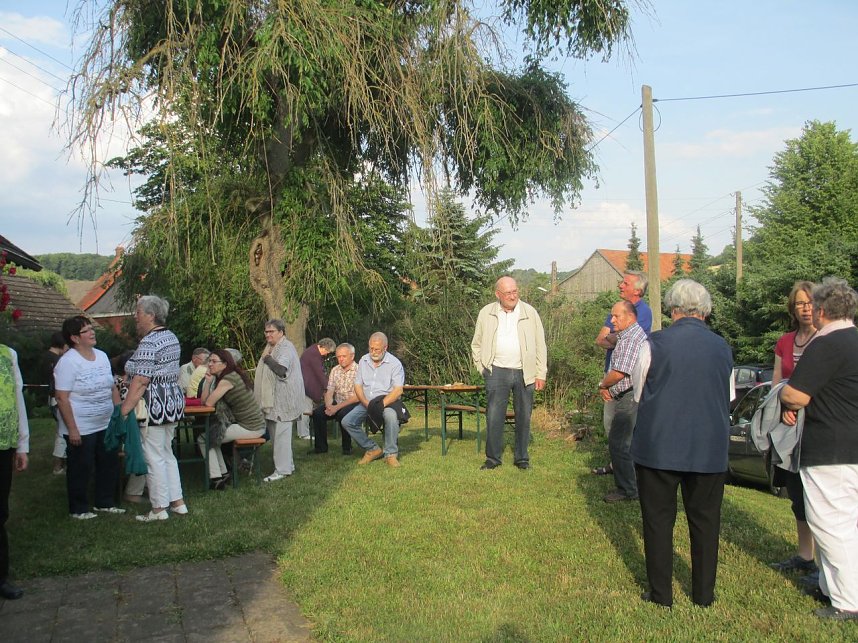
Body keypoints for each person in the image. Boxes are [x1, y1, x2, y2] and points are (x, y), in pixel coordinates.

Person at [630, 279, 733, 608]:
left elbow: (637, 390)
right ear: (705, 310)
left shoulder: (654, 343)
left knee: (658, 521)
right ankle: (704, 595)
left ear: (673, 308)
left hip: (659, 445)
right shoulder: (722, 347)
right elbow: (727, 396)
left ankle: (661, 595)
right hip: (708, 447)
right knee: (705, 522)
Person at [779, 277, 858, 621]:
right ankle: (829, 586)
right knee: (843, 522)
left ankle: (847, 602)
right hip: (851, 445)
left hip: (830, 448)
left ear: (822, 310)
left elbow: (797, 394)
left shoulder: (826, 344)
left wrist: (782, 394)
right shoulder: (854, 340)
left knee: (831, 524)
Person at [121, 296, 188, 521]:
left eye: (138, 312)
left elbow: (141, 380)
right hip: (172, 402)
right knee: (167, 453)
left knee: (153, 456)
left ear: (151, 315)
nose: (135, 317)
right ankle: (177, 502)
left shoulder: (150, 341)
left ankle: (159, 508)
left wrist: (124, 409)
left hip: (155, 405)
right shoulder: (171, 337)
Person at [471, 275, 547, 470]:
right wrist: (482, 367)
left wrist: (540, 373)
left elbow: (540, 345)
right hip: (496, 371)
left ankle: (522, 458)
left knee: (524, 416)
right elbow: (476, 344)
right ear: (498, 294)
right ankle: (493, 459)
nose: (513, 296)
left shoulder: (530, 312)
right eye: (508, 293)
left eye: (515, 291)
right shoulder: (486, 313)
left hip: (525, 372)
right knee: (494, 416)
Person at [769, 281, 817, 575]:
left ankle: (826, 561)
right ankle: (805, 554)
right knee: (797, 493)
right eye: (800, 303)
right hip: (790, 428)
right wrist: (784, 407)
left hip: (819, 426)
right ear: (793, 308)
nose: (805, 308)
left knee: (819, 496)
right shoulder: (785, 342)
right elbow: (776, 382)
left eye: (810, 302)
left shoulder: (826, 340)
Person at [54, 316, 123, 519]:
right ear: (75, 338)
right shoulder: (68, 362)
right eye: (87, 331)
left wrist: (118, 415)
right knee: (80, 467)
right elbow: (62, 398)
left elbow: (112, 387)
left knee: (108, 463)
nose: (92, 333)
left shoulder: (101, 356)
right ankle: (79, 508)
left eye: (92, 329)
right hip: (81, 425)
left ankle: (105, 502)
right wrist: (73, 429)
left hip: (104, 422)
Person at [592, 270, 652, 476]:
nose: (620, 285)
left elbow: (624, 342)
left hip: (626, 384)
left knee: (624, 431)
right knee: (610, 426)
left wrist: (605, 384)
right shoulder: (619, 309)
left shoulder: (643, 312)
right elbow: (601, 339)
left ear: (637, 290)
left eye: (625, 283)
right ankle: (618, 466)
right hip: (610, 379)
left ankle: (629, 476)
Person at [598, 300, 647, 502]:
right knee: (623, 443)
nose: (612, 320)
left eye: (617, 316)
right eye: (612, 315)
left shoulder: (630, 339)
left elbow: (619, 372)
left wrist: (603, 385)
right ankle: (631, 485)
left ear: (630, 317)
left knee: (619, 444)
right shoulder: (628, 335)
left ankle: (628, 489)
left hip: (628, 396)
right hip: (628, 394)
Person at [200, 348, 266, 488]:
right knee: (211, 437)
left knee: (205, 438)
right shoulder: (230, 376)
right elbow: (204, 402)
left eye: (213, 361)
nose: (210, 364)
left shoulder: (227, 379)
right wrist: (207, 382)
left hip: (251, 427)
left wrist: (208, 382)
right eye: (209, 361)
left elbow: (208, 403)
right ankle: (221, 474)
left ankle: (217, 478)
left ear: (225, 364)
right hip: (250, 424)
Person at [341, 332, 406, 468]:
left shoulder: (394, 363)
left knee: (391, 417)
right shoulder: (364, 360)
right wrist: (365, 403)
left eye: (377, 349)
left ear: (385, 347)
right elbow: (357, 385)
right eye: (371, 348)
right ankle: (372, 449)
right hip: (366, 402)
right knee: (347, 421)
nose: (373, 352)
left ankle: (391, 454)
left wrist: (381, 405)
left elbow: (398, 390)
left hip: (387, 402)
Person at [253, 320, 304, 482]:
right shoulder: (272, 347)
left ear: (281, 332)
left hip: (285, 399)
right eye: (266, 332)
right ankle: (287, 465)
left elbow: (281, 370)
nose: (268, 334)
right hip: (274, 401)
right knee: (276, 435)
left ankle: (282, 471)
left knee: (281, 436)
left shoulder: (286, 348)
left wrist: (267, 359)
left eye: (271, 331)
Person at [0, 343, 29, 600]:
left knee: (0, 512)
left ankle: (1, 578)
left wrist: (22, 444)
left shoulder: (8, 354)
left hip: (3, 444)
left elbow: (17, 398)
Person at [310, 343, 359, 455]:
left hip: (353, 402)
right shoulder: (335, 370)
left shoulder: (359, 370)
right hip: (337, 401)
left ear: (352, 356)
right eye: (338, 357)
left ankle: (347, 447)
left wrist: (336, 408)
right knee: (317, 413)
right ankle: (321, 448)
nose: (340, 359)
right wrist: (329, 405)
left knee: (343, 414)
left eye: (343, 356)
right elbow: (329, 390)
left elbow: (357, 397)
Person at [296, 338, 336, 439]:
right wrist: (328, 387)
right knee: (305, 409)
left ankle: (303, 432)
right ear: (323, 347)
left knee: (306, 408)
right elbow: (320, 374)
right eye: (327, 351)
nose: (327, 354)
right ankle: (303, 434)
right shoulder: (314, 354)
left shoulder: (313, 351)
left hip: (305, 384)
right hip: (306, 386)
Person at [43, 331, 68, 475]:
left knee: (60, 429)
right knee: (62, 432)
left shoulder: (46, 357)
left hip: (51, 397)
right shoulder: (58, 360)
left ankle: (61, 463)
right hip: (58, 398)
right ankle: (58, 466)